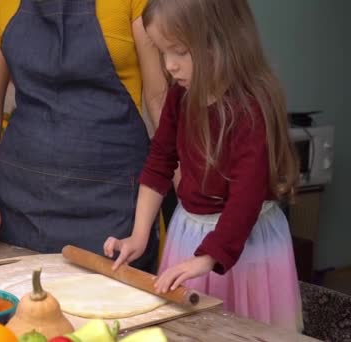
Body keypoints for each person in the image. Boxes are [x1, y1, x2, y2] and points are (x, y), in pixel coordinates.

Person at [103, 0, 303, 332]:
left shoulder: (252, 107)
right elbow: (159, 162)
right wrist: (139, 235)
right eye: (163, 52)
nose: (169, 66)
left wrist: (209, 257)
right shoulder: (180, 97)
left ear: (221, 41)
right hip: (189, 236)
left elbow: (246, 196)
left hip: (246, 244)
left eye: (179, 51)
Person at [0, 0, 167, 273]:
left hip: (113, 205)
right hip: (21, 206)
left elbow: (159, 99)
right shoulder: (0, 4)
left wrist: (190, 186)